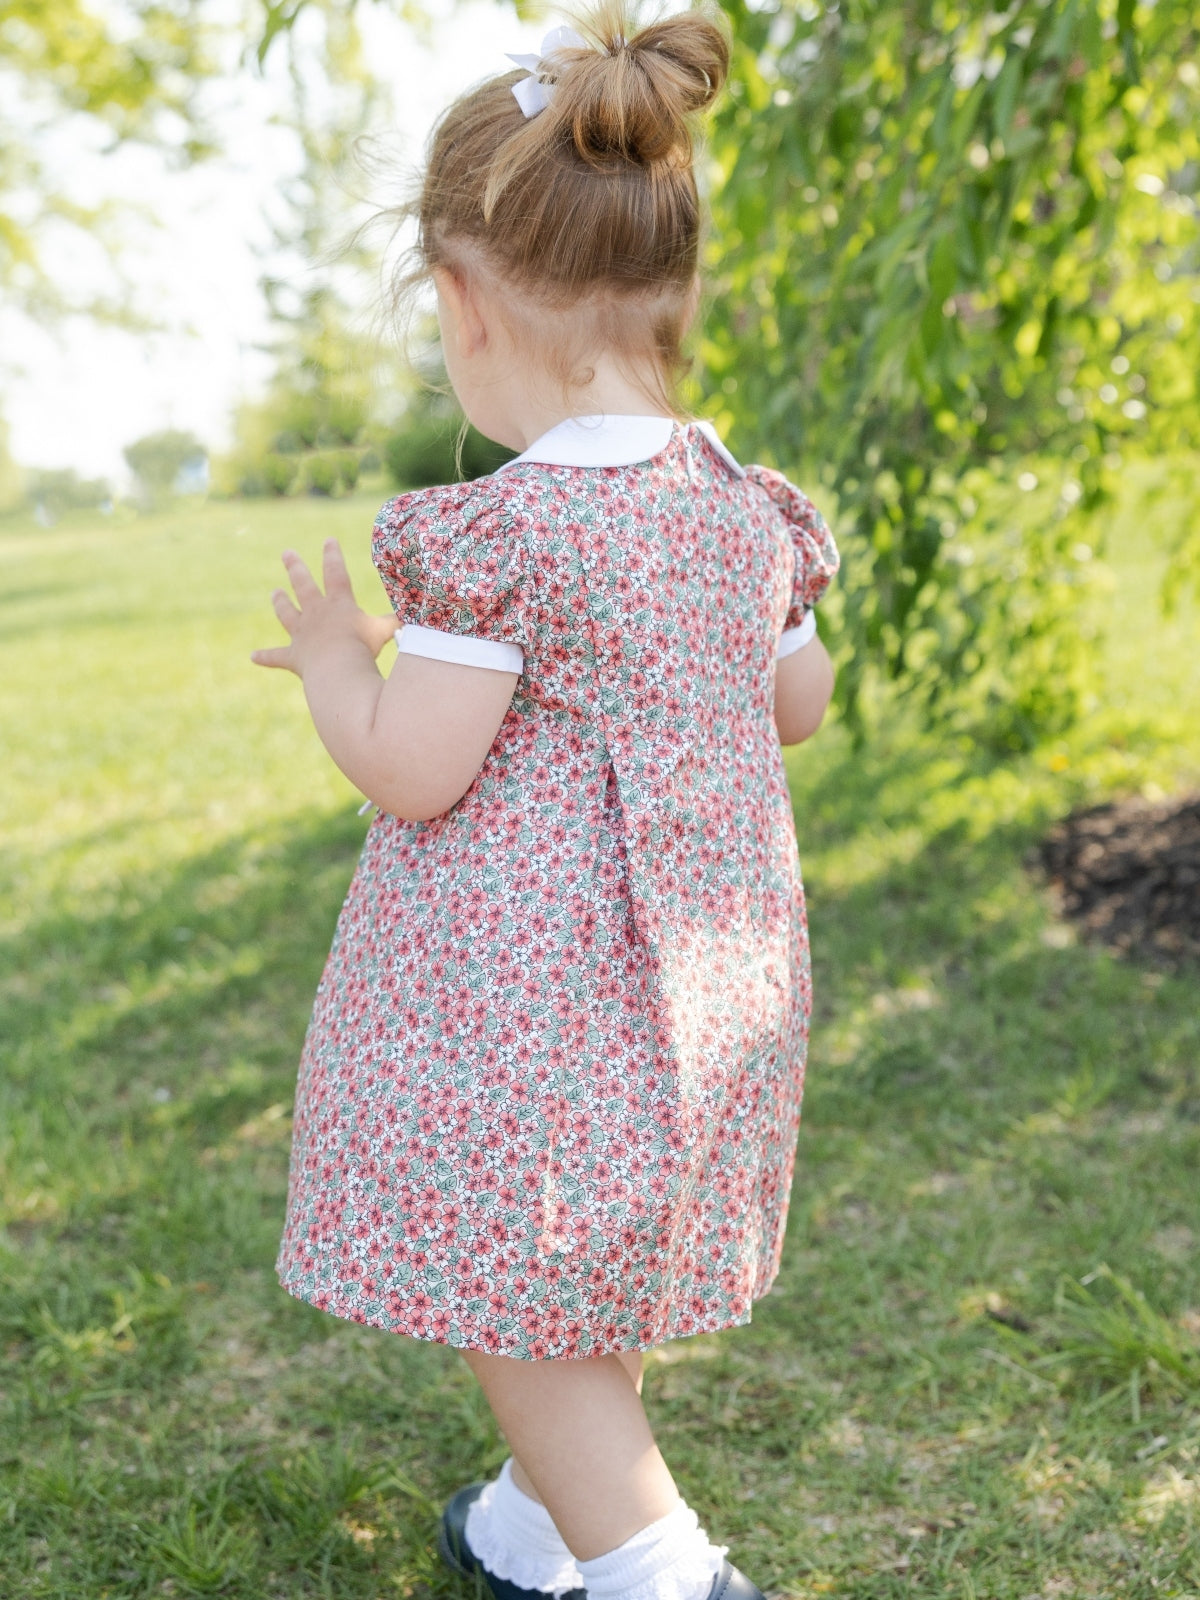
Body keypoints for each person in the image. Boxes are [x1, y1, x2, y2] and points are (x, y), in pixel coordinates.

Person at [251, 5, 840, 1599]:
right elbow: (799, 704)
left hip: (532, 1004)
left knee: (518, 1299)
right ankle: (530, 1527)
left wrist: (329, 664)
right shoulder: (744, 507)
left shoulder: (503, 534)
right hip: (711, 993)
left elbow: (412, 767)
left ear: (463, 299)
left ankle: (663, 1576)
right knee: (591, 1264)